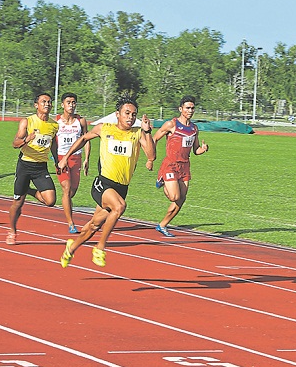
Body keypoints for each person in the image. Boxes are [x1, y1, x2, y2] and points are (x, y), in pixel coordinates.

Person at [59, 95, 155, 268]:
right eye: (127, 113)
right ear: (117, 114)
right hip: (103, 183)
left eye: (134, 114)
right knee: (119, 207)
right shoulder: (104, 128)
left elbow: (151, 155)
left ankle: (71, 248)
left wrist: (147, 132)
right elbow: (83, 139)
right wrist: (66, 157)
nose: (130, 117)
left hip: (121, 187)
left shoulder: (138, 133)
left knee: (94, 225)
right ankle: (100, 247)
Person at [151, 95, 208, 237]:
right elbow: (154, 138)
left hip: (185, 166)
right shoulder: (172, 125)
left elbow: (196, 150)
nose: (190, 110)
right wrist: (150, 159)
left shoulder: (194, 128)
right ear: (180, 109)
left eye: (192, 108)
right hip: (170, 164)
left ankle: (162, 225)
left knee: (181, 199)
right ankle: (162, 179)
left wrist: (203, 149)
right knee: (174, 196)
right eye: (188, 108)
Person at [6, 93, 59, 245]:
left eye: (49, 102)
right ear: (36, 105)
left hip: (41, 167)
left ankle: (28, 190)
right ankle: (12, 231)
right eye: (44, 102)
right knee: (17, 203)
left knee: (50, 201)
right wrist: (26, 139)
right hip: (25, 165)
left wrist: (57, 161)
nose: (47, 104)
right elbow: (15, 143)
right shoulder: (27, 122)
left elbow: (53, 144)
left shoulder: (54, 125)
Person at [54, 92, 90, 234]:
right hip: (61, 158)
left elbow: (86, 139)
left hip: (76, 158)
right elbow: (52, 141)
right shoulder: (56, 121)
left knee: (72, 191)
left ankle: (65, 202)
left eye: (74, 102)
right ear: (63, 105)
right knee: (67, 189)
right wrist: (56, 160)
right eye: (68, 102)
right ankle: (71, 224)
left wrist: (87, 158)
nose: (71, 105)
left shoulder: (80, 121)